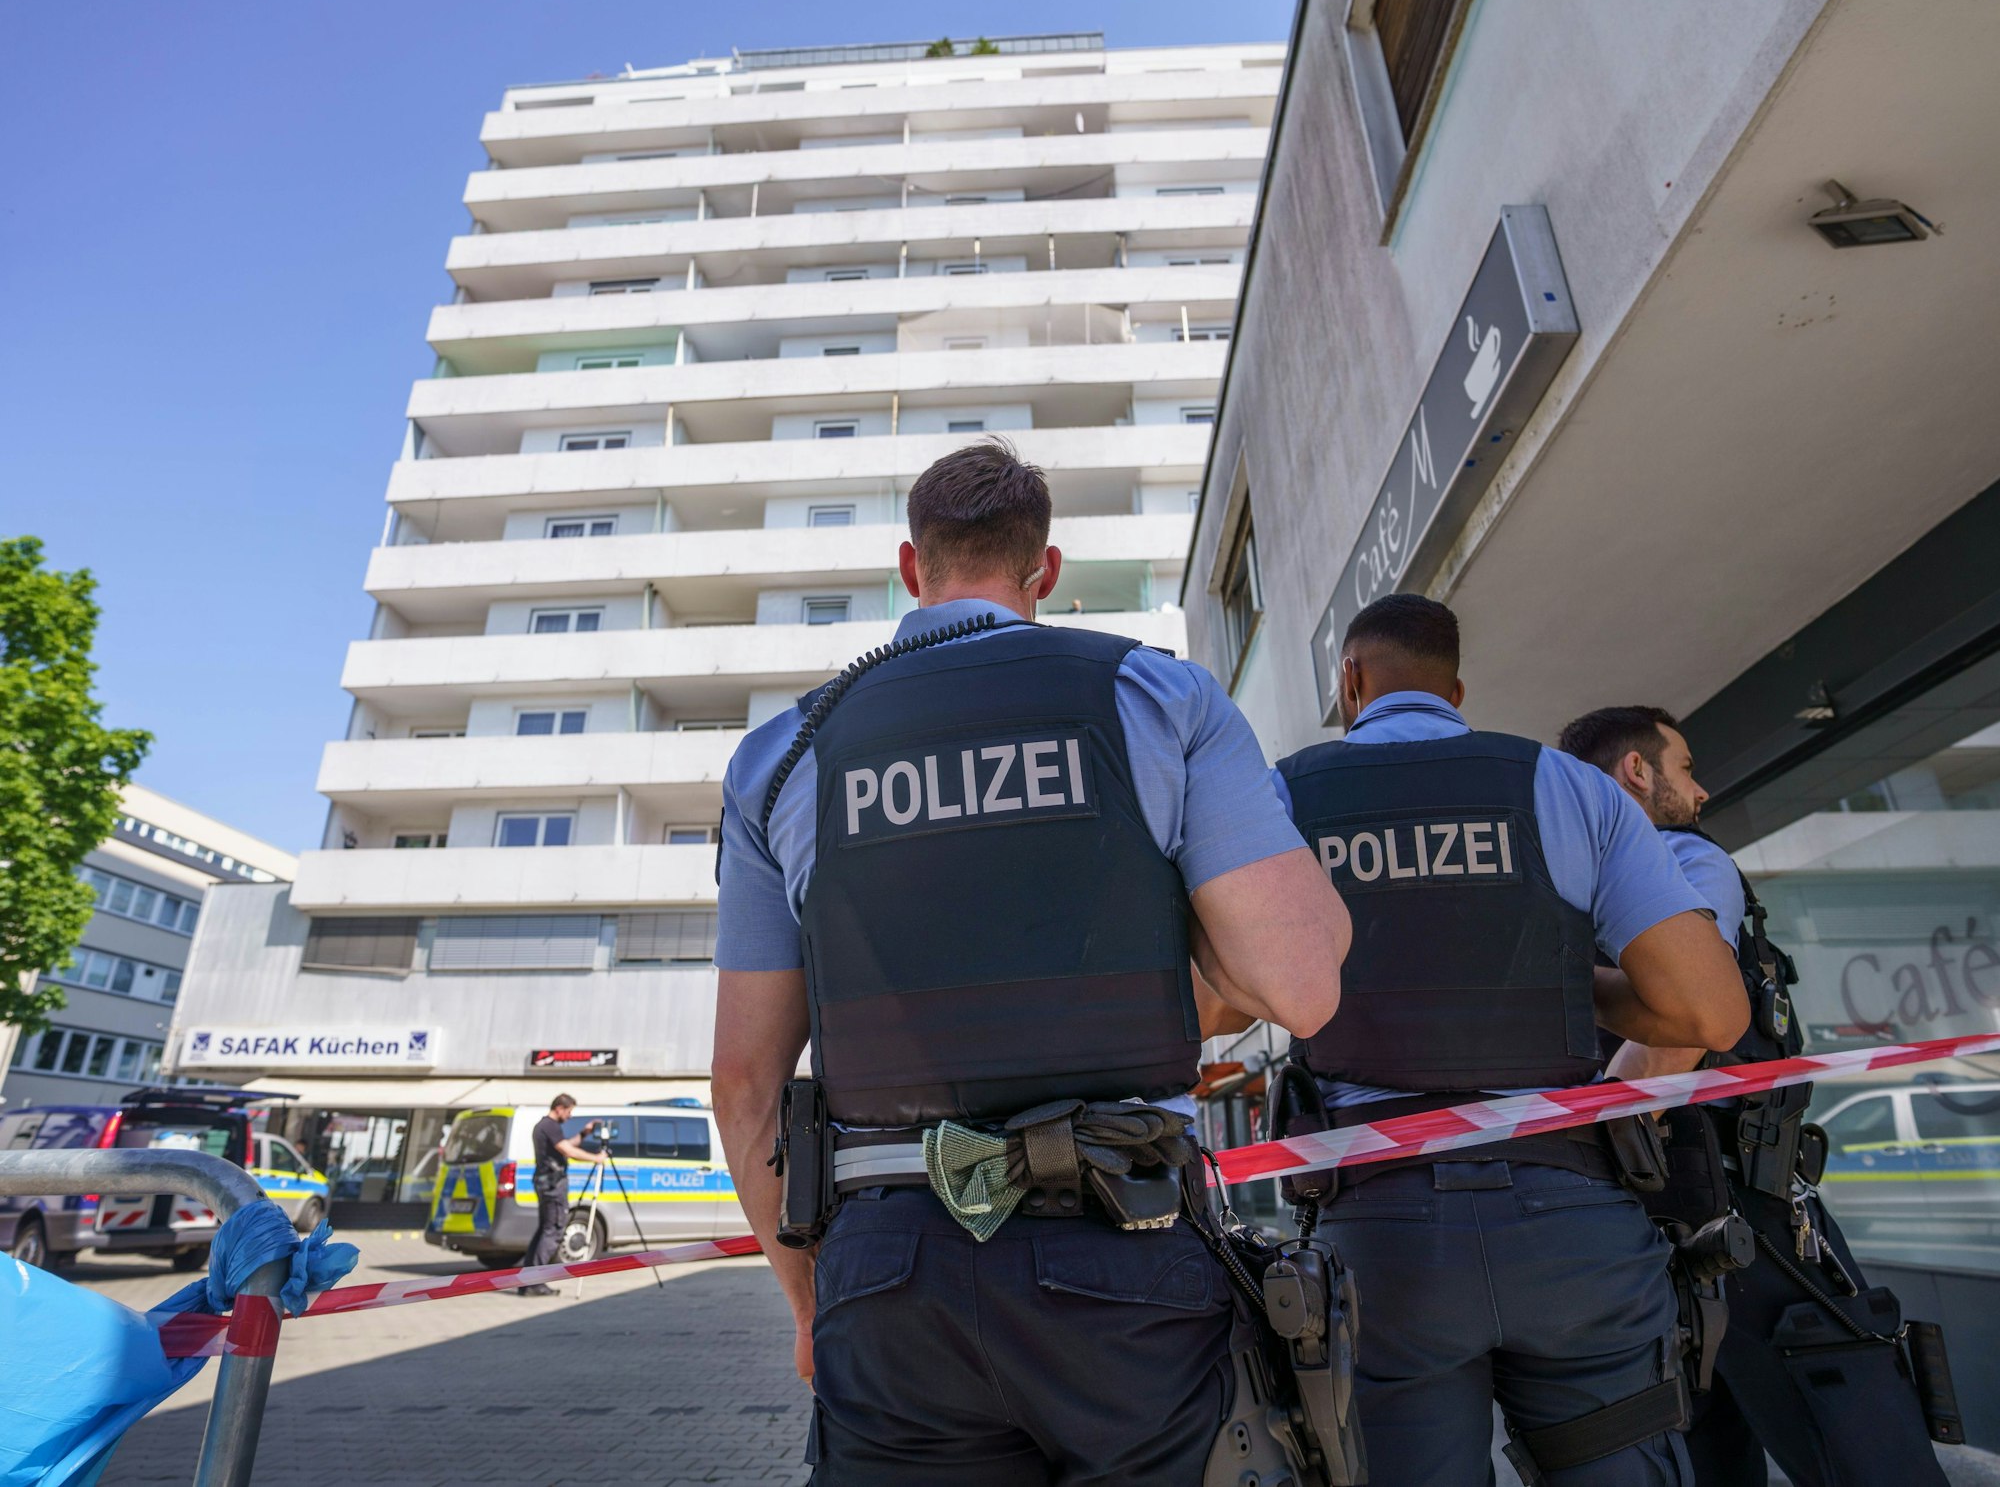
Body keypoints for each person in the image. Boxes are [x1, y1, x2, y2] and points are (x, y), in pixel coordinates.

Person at [712, 438, 1350, 1484]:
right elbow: (1298, 987)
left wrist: (805, 1301)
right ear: (1043, 570)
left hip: (887, 1275)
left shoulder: (780, 754)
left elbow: (743, 1081)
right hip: (1123, 1250)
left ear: (910, 569)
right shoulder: (1161, 698)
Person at [1250, 594, 1747, 1487]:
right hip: (1571, 1223)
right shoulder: (1568, 785)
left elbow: (1219, 1002)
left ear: (1350, 681)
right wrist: (1552, 980)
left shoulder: (1284, 796)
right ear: (1458, 689)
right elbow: (1708, 1015)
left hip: (1384, 1241)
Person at [1558, 706, 1948, 1487]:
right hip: (1742, 1211)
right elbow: (1684, 1027)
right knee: (1845, 1420)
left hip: (1663, 1214)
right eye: (1686, 767)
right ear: (1639, 772)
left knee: (1707, 1430)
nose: (1700, 791)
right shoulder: (1677, 858)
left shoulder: (1571, 891)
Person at [518, 1093, 604, 1298]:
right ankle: (534, 1282)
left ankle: (526, 1281)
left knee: (544, 1231)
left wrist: (584, 1134)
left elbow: (567, 1144)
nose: (570, 1116)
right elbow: (568, 1151)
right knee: (553, 1232)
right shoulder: (550, 1126)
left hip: (545, 1183)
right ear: (559, 1108)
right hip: (553, 1185)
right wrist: (596, 1158)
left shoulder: (544, 1127)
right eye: (569, 1111)